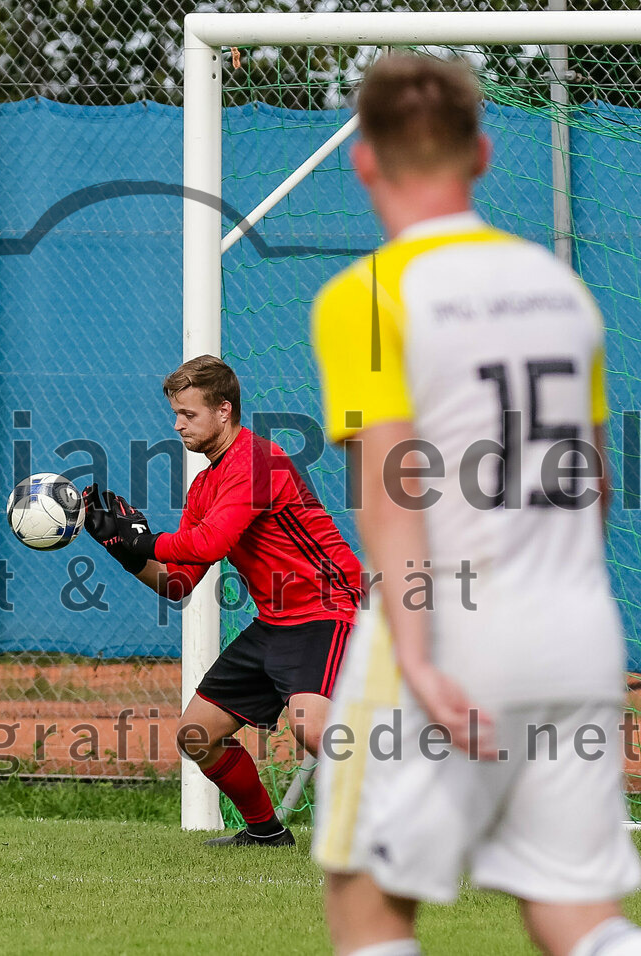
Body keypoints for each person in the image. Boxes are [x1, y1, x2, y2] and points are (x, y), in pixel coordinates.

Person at [310, 54, 641, 956]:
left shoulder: (369, 293)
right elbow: (595, 485)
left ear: (365, 161)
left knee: (370, 907)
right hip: (576, 632)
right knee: (579, 916)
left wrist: (416, 655)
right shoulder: (561, 290)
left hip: (451, 633)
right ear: (484, 154)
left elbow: (395, 486)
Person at [83, 354, 362, 847]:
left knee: (311, 727)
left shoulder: (258, 462)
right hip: (276, 620)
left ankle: (416, 816)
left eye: (188, 414)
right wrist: (123, 550)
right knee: (196, 734)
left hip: (328, 608)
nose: (178, 425)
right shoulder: (205, 484)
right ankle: (266, 833)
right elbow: (179, 583)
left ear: (224, 411)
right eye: (176, 413)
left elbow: (209, 543)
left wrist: (144, 538)